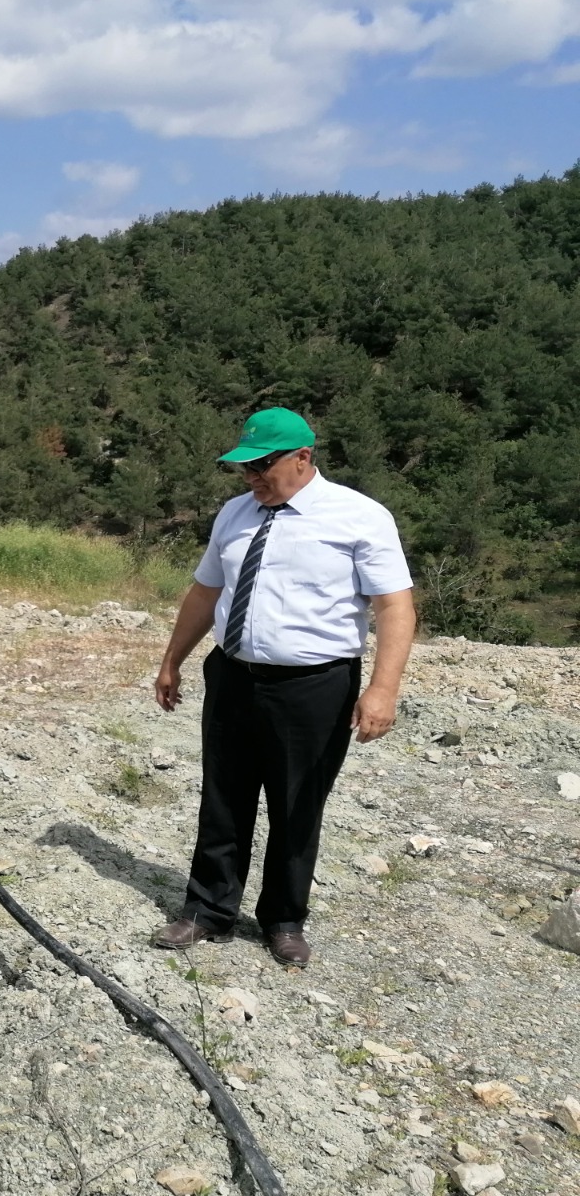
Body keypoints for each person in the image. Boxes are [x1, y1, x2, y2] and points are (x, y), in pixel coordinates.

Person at [152, 408, 415, 966]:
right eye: (243, 467)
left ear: (303, 457)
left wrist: (382, 689)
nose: (251, 477)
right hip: (233, 676)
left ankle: (283, 920)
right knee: (224, 797)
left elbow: (394, 606)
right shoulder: (233, 514)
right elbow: (206, 591)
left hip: (314, 686)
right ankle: (207, 910)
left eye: (262, 465)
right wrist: (172, 659)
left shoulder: (359, 517)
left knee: (297, 805)